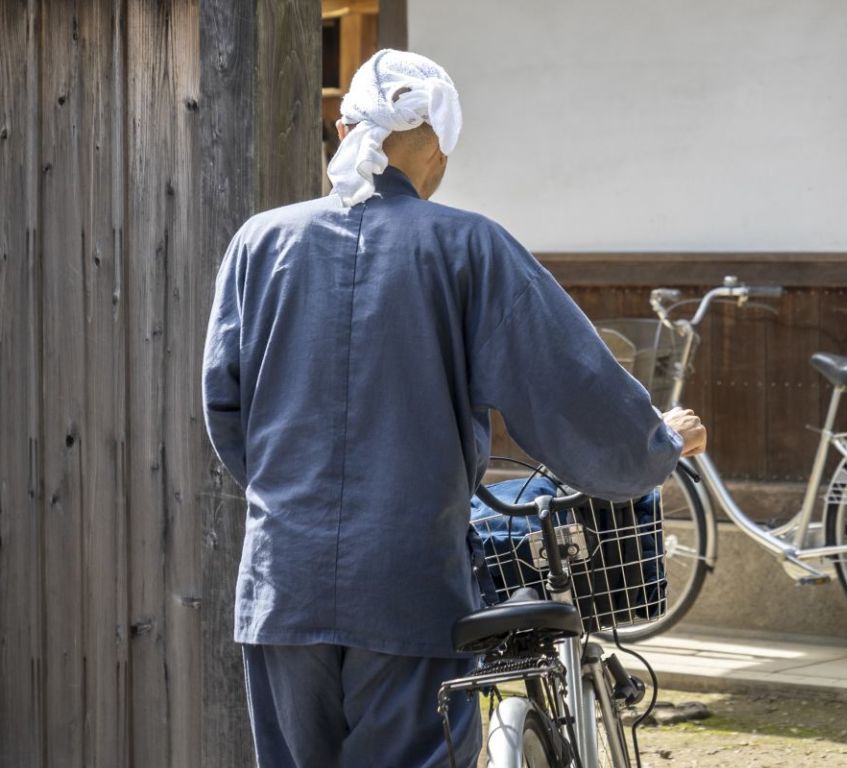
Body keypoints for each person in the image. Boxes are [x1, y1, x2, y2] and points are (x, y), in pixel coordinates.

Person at [201, 50, 706, 768]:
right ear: (435, 142)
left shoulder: (260, 243)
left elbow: (227, 411)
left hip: (283, 580)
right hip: (403, 581)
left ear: (345, 129)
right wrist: (657, 444)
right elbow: (568, 385)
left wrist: (293, 495)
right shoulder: (467, 246)